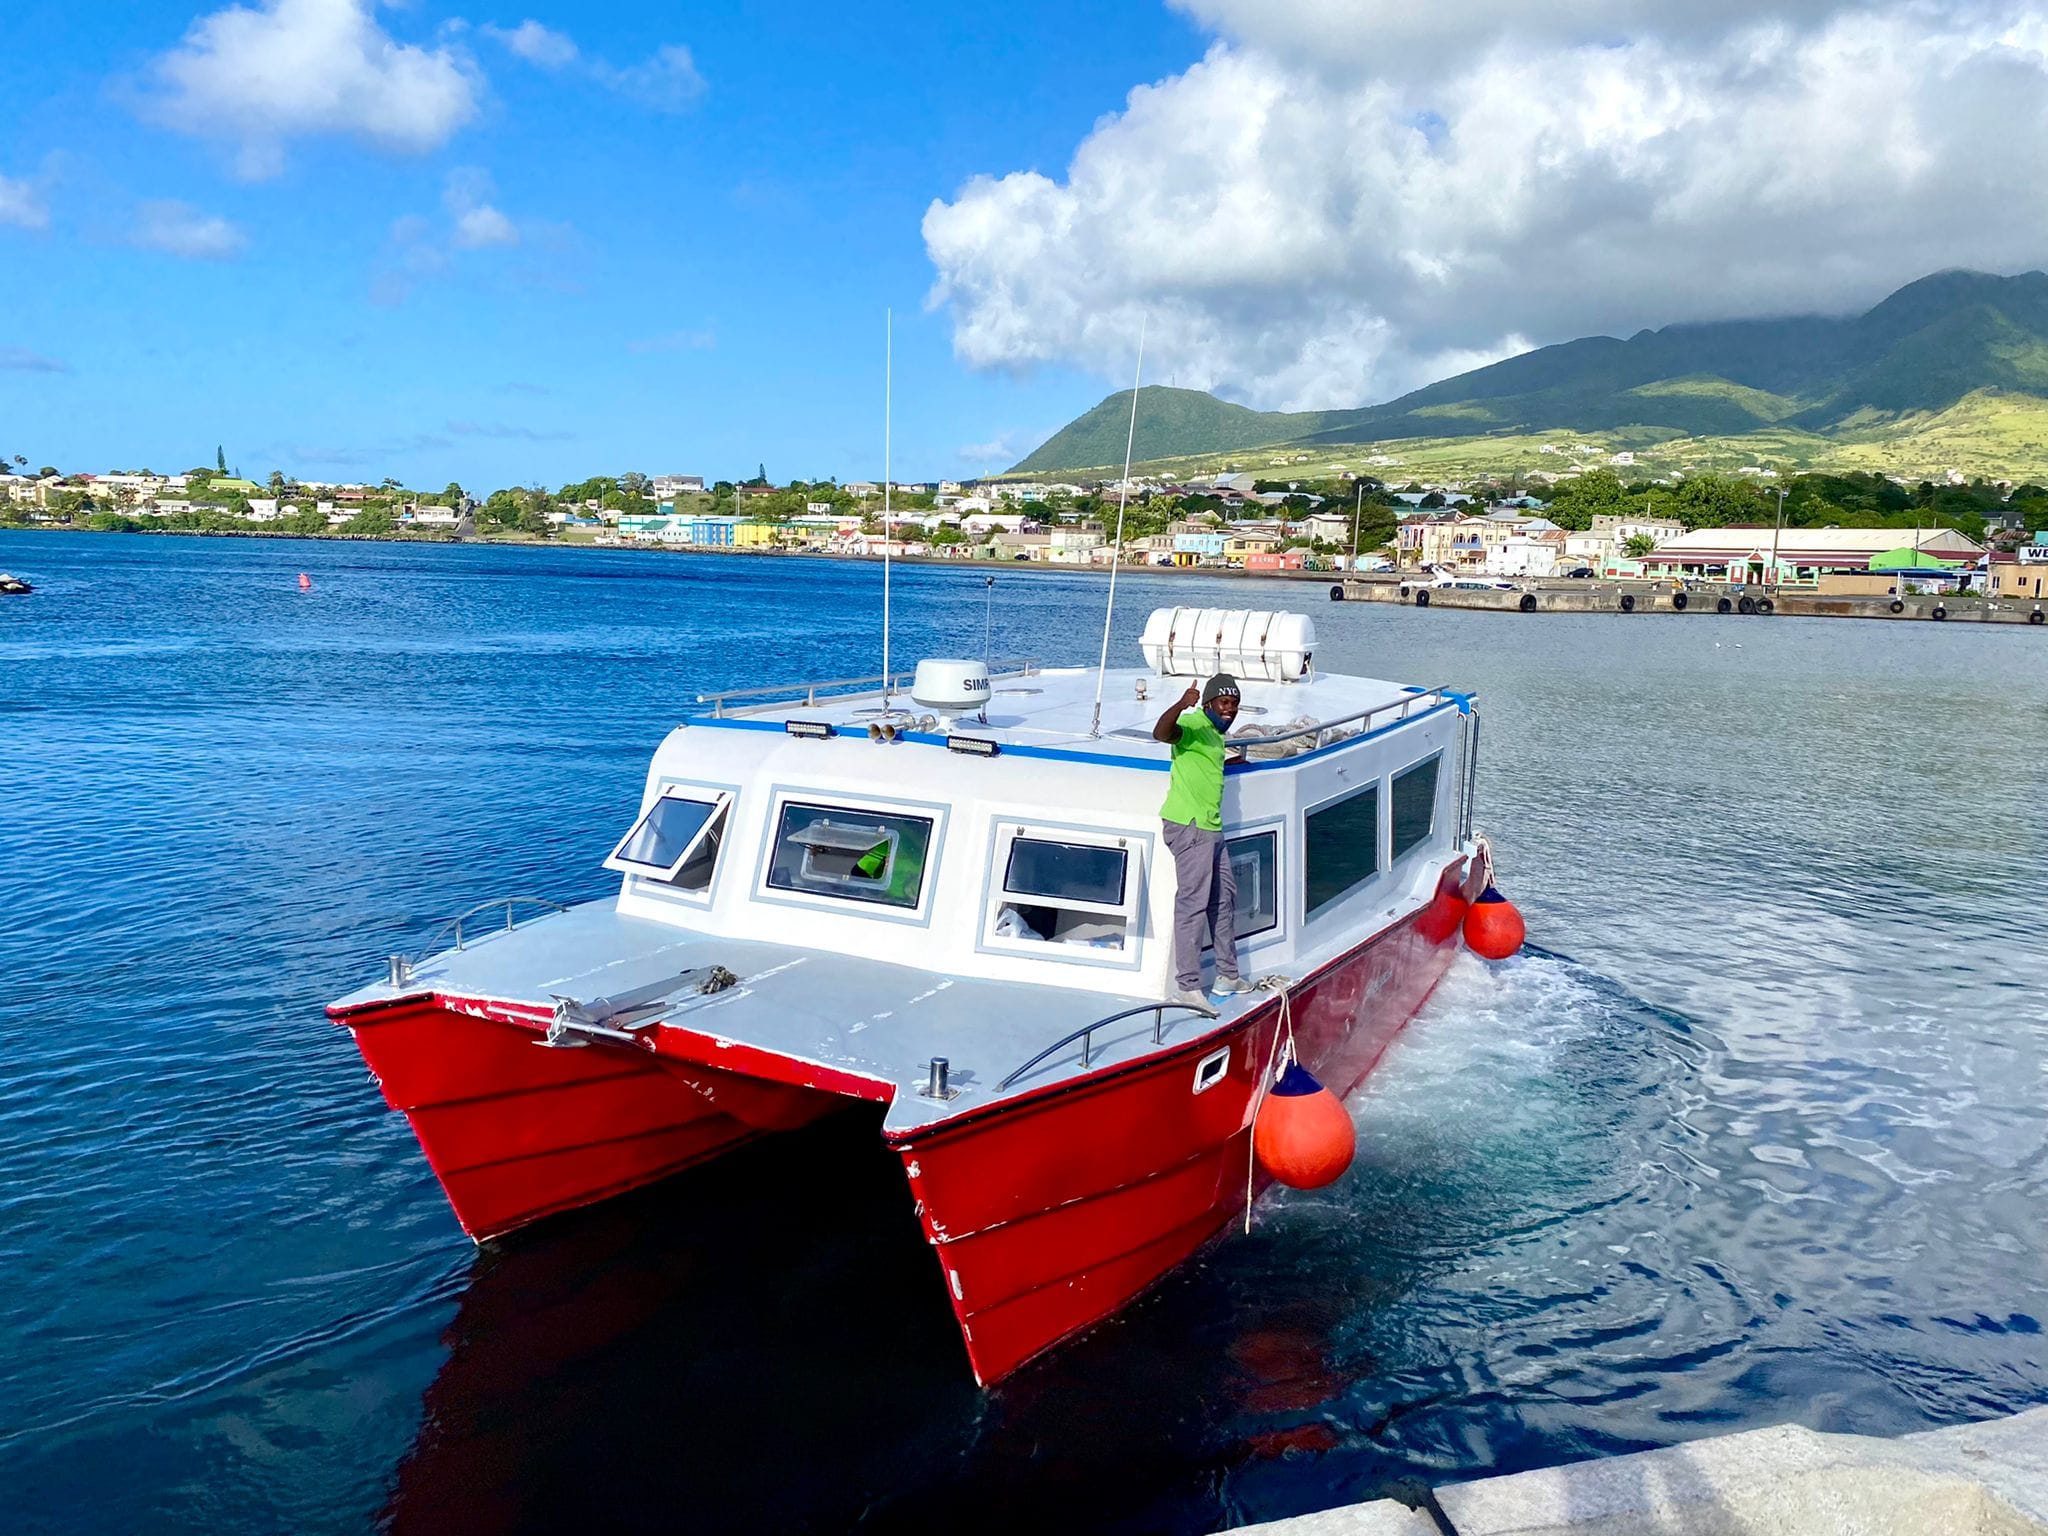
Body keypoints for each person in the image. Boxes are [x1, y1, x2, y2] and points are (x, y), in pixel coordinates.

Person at [1153, 672, 1245, 1008]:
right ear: (1207, 703)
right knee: (1192, 904)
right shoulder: (1192, 723)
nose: (1230, 709)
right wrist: (1181, 703)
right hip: (1190, 827)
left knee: (1224, 899)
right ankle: (1188, 987)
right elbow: (1162, 733)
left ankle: (1227, 976)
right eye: (1224, 702)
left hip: (1211, 827)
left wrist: (1237, 761)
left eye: (1234, 704)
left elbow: (1206, 765)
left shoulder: (1216, 734)